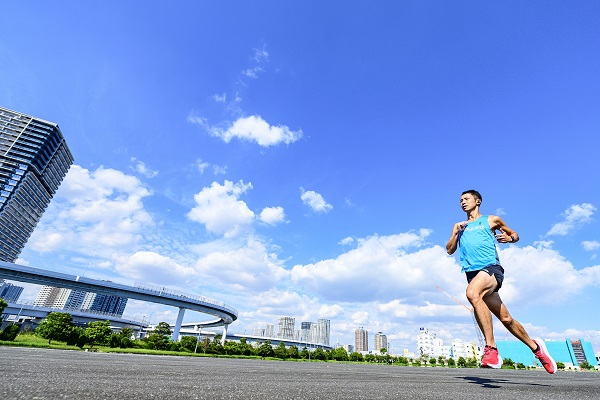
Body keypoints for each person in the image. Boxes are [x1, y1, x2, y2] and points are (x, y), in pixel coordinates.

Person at [446, 189, 557, 374]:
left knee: (472, 293)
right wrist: (455, 233)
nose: (462, 202)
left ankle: (491, 349)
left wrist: (509, 238)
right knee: (506, 318)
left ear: (478, 201)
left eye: (466, 199)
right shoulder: (459, 226)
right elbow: (450, 250)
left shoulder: (491, 220)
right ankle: (537, 349)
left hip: (491, 269)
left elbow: (514, 234)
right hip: (473, 275)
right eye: (460, 200)